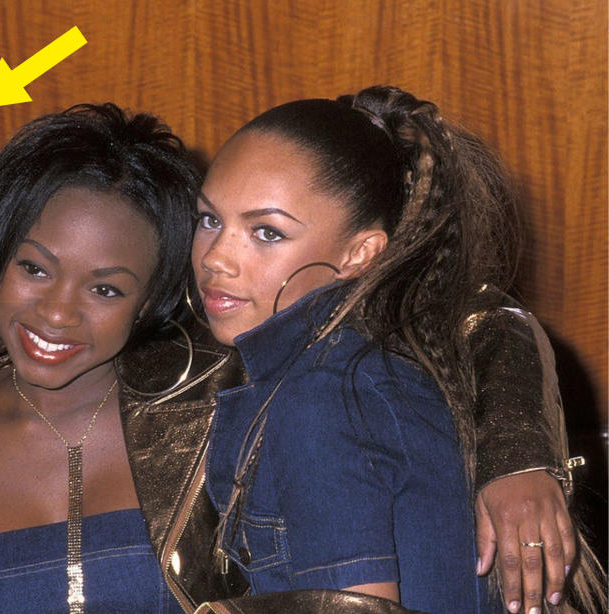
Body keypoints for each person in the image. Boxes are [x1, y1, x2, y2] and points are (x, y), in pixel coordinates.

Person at [0, 101, 589, 614]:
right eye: (35, 269)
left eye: (106, 287)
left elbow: (480, 312)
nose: (57, 312)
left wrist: (520, 455)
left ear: (150, 296)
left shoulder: (226, 374)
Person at [189, 86, 605, 613]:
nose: (217, 258)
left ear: (360, 253)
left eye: (267, 232)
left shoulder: (324, 397)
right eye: (209, 219)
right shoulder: (366, 369)